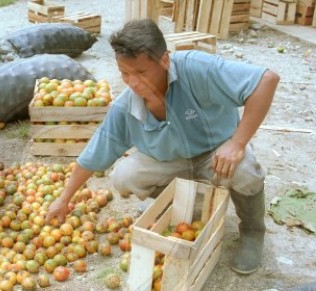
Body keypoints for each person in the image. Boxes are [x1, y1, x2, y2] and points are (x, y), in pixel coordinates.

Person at [45, 19, 280, 275]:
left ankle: (252, 231)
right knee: (124, 176)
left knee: (245, 170)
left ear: (164, 60)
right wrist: (63, 200)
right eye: (125, 73)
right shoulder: (126, 107)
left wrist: (237, 142)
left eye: (141, 73)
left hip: (216, 151)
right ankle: (184, 204)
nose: (133, 83)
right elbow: (93, 155)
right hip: (174, 161)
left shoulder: (195, 69)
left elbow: (266, 80)